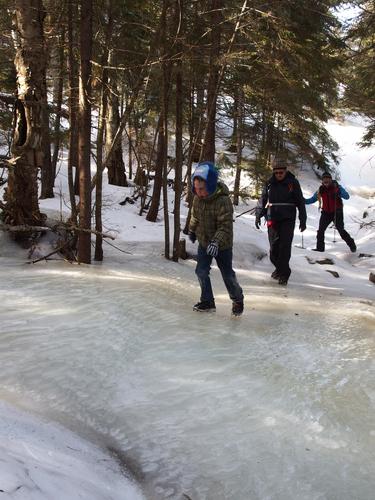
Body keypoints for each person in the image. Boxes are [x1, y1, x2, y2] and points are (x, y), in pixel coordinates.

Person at [188, 161, 244, 316]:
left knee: (227, 275)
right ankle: (207, 301)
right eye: (196, 188)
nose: (198, 192)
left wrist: (216, 241)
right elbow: (195, 216)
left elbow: (225, 226)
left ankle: (237, 299)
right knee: (201, 271)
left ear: (211, 185)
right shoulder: (197, 199)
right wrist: (192, 230)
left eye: (202, 188)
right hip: (204, 242)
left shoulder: (223, 201)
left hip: (223, 245)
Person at [255, 160, 306, 286]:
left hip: (288, 218)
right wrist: (258, 215)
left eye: (281, 172)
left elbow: (300, 201)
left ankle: (284, 274)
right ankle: (280, 269)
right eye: (276, 172)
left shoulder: (293, 183)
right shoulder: (269, 183)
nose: (278, 175)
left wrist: (303, 219)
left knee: (284, 246)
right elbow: (263, 200)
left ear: (285, 171)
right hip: (272, 217)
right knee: (273, 249)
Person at [305, 171, 356, 253]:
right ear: (322, 181)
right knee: (320, 231)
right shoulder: (321, 189)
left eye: (327, 179)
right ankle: (320, 249)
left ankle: (351, 244)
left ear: (331, 179)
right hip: (326, 213)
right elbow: (311, 200)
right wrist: (302, 200)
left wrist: (339, 191)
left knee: (341, 230)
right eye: (324, 179)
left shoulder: (337, 187)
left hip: (337, 212)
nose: (326, 181)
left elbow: (347, 196)